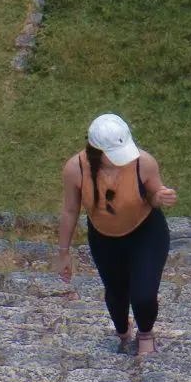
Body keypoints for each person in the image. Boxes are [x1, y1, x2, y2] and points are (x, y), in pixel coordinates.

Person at [57, 111, 178, 357]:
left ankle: (146, 332)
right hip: (104, 238)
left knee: (143, 295)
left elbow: (153, 196)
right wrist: (63, 252)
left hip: (145, 232)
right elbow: (70, 210)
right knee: (116, 295)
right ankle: (123, 332)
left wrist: (161, 197)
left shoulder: (144, 162)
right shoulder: (75, 169)